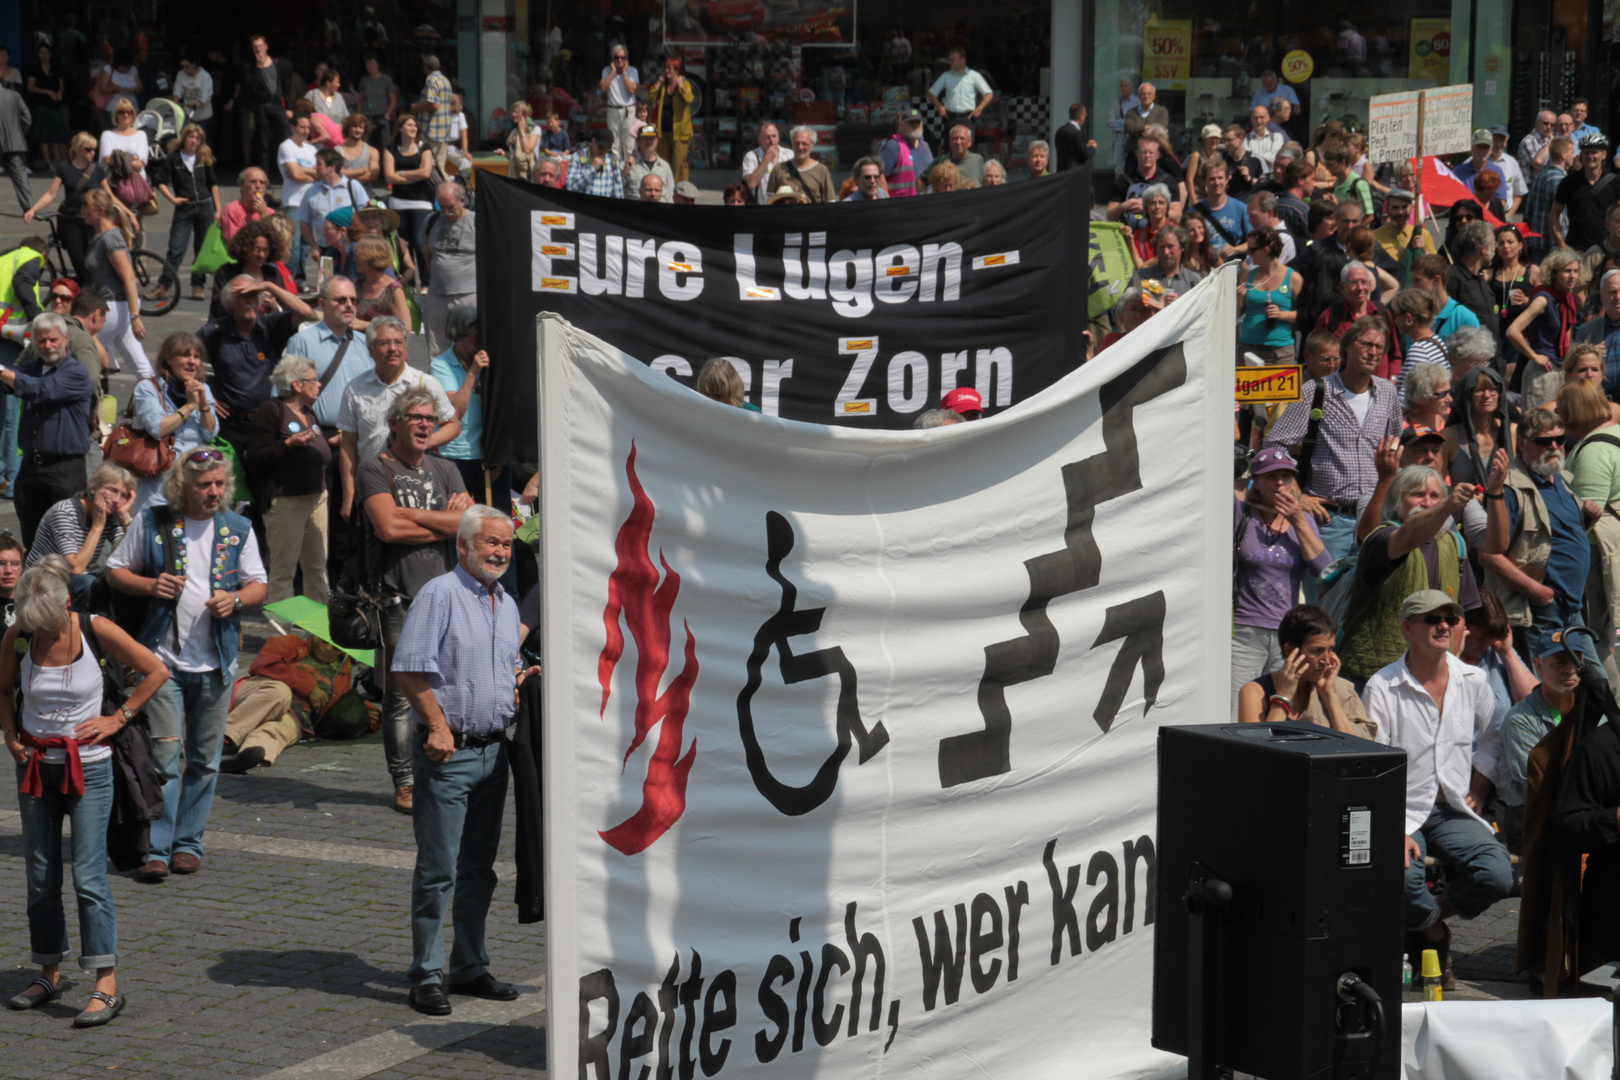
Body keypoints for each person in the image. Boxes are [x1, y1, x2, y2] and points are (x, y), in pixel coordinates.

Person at [0, 563, 168, 1026]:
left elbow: (156, 670)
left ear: (66, 602)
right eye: (33, 622)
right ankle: (48, 971)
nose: (40, 630)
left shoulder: (95, 629)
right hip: (36, 769)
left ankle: (105, 984)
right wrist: (11, 731)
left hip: (89, 771)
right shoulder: (19, 635)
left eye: (47, 620)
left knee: (88, 878)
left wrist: (119, 718)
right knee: (40, 876)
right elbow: (2, 689)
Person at [392, 504, 530, 1014]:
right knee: (437, 869)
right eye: (490, 542)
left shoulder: (507, 603)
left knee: (480, 869)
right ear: (464, 546)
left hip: (495, 754)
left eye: (506, 544)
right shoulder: (440, 595)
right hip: (449, 755)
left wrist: (520, 680)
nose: (499, 552)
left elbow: (502, 666)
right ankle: (426, 974)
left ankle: (470, 966)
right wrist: (437, 726)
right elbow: (408, 669)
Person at [107, 450, 267, 883]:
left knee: (205, 759)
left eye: (218, 483)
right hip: (161, 661)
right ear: (183, 487)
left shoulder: (238, 529)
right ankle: (156, 847)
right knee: (164, 755)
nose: (213, 492)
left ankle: (188, 844)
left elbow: (259, 584)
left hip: (215, 662)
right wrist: (149, 584)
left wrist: (236, 599)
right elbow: (115, 570)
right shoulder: (154, 522)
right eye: (204, 485)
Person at [1363, 589, 1513, 989]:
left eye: (1450, 617)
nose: (1444, 625)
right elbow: (1376, 767)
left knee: (1497, 875)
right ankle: (1433, 937)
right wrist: (1393, 830)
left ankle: (1420, 924)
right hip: (1402, 811)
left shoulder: (1473, 678)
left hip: (1453, 809)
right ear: (1407, 628)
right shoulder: (1382, 686)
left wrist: (1480, 784)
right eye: (1432, 619)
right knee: (1402, 877)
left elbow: (1495, 736)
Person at [356, 387, 473, 814]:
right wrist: (446, 522)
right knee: (402, 694)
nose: (425, 424)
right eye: (415, 417)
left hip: (446, 596)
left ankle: (438, 770)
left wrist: (414, 517)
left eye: (430, 418)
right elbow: (388, 530)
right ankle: (404, 781)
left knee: (445, 687)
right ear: (395, 424)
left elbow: (469, 527)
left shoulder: (446, 469)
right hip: (396, 596)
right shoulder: (374, 469)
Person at [1265, 316, 1405, 574]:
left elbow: (1397, 449)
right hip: (1330, 521)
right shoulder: (1317, 391)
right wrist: (1298, 496)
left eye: (1380, 348)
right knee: (1324, 602)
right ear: (1347, 346)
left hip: (1376, 519)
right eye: (1366, 344)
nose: (1373, 352)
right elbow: (1273, 447)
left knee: (1367, 602)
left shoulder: (1388, 393)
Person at [1337, 466, 1482, 685]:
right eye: (1417, 494)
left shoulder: (1454, 545)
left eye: (1435, 496)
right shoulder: (1381, 537)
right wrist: (1447, 504)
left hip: (1433, 677)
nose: (1427, 502)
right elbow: (1407, 537)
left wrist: (1449, 666)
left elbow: (1460, 616)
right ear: (1396, 500)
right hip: (1374, 676)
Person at [1481, 409, 1590, 659]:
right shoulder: (1510, 487)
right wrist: (1535, 591)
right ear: (1522, 443)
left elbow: (1558, 537)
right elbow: (1489, 555)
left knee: (1592, 683)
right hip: (1541, 610)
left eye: (1560, 440)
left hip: (1573, 607)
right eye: (1543, 441)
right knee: (1543, 688)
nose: (1553, 446)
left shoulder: (1561, 478)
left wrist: (1587, 518)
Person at [1230, 448, 1328, 710]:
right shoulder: (1241, 514)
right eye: (1271, 476)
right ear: (1257, 483)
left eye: (1286, 476)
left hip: (1286, 635)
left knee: (1278, 707)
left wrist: (1298, 520)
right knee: (1236, 709)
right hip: (1242, 630)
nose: (1280, 483)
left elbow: (1324, 569)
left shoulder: (1303, 520)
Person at [338, 317, 460, 524]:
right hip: (372, 483)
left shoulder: (425, 383)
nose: (392, 348)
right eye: (384, 343)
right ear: (370, 350)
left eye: (398, 342)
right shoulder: (355, 388)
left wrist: (423, 443)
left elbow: (453, 425)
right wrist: (349, 495)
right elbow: (348, 445)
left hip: (417, 482)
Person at [199, 274, 310, 470]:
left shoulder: (270, 325)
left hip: (264, 423)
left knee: (262, 484)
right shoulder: (215, 331)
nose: (250, 301)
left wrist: (267, 285)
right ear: (230, 303)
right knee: (229, 484)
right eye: (244, 295)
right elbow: (183, 361)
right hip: (228, 425)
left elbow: (305, 312)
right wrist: (205, 396)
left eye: (254, 295)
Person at [0, 314, 93, 548]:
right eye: (42, 341)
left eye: (53, 340)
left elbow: (41, 389)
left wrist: (2, 371)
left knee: (68, 544)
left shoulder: (77, 373)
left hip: (65, 471)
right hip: (31, 469)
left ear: (65, 338)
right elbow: (10, 382)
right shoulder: (32, 368)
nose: (48, 346)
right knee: (33, 544)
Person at [248, 356, 330, 606]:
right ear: (297, 384)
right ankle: (280, 640)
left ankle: (317, 639)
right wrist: (288, 444)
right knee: (284, 572)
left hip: (316, 498)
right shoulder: (272, 411)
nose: (320, 385)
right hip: (286, 502)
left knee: (317, 569)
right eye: (314, 381)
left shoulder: (308, 412)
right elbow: (255, 456)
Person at [1236, 603, 1374, 735]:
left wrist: (1330, 696)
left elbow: (1353, 749)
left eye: (1330, 649)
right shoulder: (1255, 692)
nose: (1326, 660)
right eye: (1317, 650)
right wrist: (1282, 698)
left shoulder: (1342, 690)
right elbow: (1258, 753)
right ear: (1290, 650)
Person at [127, 333, 218, 514]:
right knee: (156, 534)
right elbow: (158, 428)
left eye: (196, 357)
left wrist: (204, 405)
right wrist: (190, 406)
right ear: (168, 358)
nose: (192, 362)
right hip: (159, 482)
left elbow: (210, 433)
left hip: (193, 478)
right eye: (185, 355)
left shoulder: (203, 389)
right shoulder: (148, 388)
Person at [26, 465, 135, 611]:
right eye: (113, 490)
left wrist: (123, 516)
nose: (116, 500)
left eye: (123, 495)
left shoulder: (111, 515)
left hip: (77, 578)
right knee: (89, 583)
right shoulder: (65, 511)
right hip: (45, 578)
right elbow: (75, 567)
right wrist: (97, 527)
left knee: (122, 581)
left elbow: (134, 552)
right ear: (94, 488)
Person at [21, 133, 119, 282]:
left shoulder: (98, 170)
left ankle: (86, 289)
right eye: (88, 149)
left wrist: (128, 213)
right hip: (70, 219)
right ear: (78, 149)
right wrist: (33, 209)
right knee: (77, 258)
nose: (92, 153)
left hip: (91, 220)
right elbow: (51, 193)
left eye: (94, 149)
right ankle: (87, 290)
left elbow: (110, 196)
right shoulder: (64, 168)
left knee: (91, 258)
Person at [80, 188, 149, 380]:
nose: (82, 210)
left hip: (113, 307)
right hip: (117, 308)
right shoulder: (102, 236)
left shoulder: (110, 237)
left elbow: (129, 277)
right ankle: (160, 403)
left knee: (84, 356)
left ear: (100, 211)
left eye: (86, 206)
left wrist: (135, 317)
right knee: (140, 365)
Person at [429, 303, 493, 502]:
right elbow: (454, 413)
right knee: (457, 521)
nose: (483, 337)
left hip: (489, 457)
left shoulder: (492, 361)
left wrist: (498, 454)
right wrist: (472, 373)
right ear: (461, 333)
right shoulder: (441, 365)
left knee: (494, 520)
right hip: (456, 456)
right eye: (477, 332)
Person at [153, 124, 222, 303]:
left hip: (205, 205)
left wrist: (218, 209)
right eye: (191, 137)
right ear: (184, 138)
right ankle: (163, 286)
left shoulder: (203, 157)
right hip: (184, 207)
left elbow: (212, 183)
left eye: (198, 139)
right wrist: (173, 199)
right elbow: (160, 181)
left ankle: (197, 285)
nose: (194, 141)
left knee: (201, 248)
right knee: (176, 248)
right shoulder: (173, 158)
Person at [1507, 249, 1584, 406]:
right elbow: (1512, 331)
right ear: (1554, 273)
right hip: (1542, 372)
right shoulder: (1543, 299)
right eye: (1567, 271)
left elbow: (1566, 333)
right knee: (1541, 425)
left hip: (1559, 368)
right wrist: (1534, 356)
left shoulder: (1566, 298)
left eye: (1575, 271)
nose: (1572, 276)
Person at [420, 182, 476, 360]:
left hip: (468, 295)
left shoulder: (477, 221)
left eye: (450, 207)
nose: (445, 212)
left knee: (469, 345)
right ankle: (439, 386)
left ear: (462, 200)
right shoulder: (431, 221)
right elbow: (428, 255)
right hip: (437, 295)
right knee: (436, 349)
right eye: (441, 206)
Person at [209, 219, 298, 320]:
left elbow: (287, 310)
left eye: (265, 250)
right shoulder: (226, 272)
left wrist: (275, 306)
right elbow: (217, 309)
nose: (261, 255)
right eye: (257, 249)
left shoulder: (273, 274)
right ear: (245, 248)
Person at [296, 149, 365, 278]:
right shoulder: (312, 191)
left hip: (352, 248)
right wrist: (313, 246)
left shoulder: (353, 186)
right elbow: (304, 222)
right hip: (326, 250)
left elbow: (365, 215)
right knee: (327, 286)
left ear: (332, 167)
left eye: (319, 164)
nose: (314, 167)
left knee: (354, 283)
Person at [383, 115, 436, 280]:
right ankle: (409, 282)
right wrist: (415, 174)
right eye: (409, 125)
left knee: (420, 242)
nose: (414, 128)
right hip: (398, 202)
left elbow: (426, 172)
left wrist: (402, 172)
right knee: (404, 245)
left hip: (422, 201)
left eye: (415, 125)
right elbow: (389, 177)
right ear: (400, 128)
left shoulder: (424, 148)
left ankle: (427, 282)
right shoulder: (390, 149)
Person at [232, 35, 292, 174]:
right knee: (262, 142)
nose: (258, 49)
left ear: (266, 46)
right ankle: (265, 173)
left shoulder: (278, 64)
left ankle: (289, 170)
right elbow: (250, 87)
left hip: (277, 104)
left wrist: (289, 107)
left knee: (285, 137)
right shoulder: (249, 66)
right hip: (260, 106)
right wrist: (258, 68)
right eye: (255, 47)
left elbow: (285, 86)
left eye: (260, 46)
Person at [1236, 229, 1299, 362]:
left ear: (1265, 250)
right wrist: (1239, 298)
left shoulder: (1293, 277)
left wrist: (1281, 314)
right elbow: (1237, 314)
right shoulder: (1248, 275)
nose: (1248, 253)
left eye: (1252, 250)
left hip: (1279, 351)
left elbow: (1305, 315)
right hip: (1248, 348)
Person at [1551, 134, 1618, 253]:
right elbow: (1554, 215)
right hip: (1577, 249)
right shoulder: (1568, 182)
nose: (1590, 156)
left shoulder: (1615, 182)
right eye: (1586, 152)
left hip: (1607, 249)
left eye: (1594, 152)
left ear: (1604, 155)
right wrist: (1561, 244)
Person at [275, 114, 318, 287]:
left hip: (310, 202)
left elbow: (318, 173)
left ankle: (299, 280)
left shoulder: (312, 150)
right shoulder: (286, 147)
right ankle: (288, 281)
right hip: (293, 202)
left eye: (308, 128)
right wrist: (312, 174)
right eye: (302, 127)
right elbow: (294, 174)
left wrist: (304, 171)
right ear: (292, 127)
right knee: (293, 246)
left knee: (306, 246)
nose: (306, 131)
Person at [1108, 137, 1185, 230]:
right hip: (1128, 236)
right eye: (1143, 152)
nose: (1147, 156)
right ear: (1136, 153)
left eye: (1151, 152)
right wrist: (1124, 206)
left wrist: (1150, 208)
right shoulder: (1123, 180)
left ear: (1157, 155)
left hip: (1157, 237)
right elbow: (1110, 217)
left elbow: (1177, 217)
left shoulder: (1168, 181)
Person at [1446, 222, 1500, 339]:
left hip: (1492, 353)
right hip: (1467, 353)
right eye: (1493, 244)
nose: (1495, 248)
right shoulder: (1451, 278)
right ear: (1483, 249)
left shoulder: (1480, 280)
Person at [927, 47, 994, 135]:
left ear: (963, 60)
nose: (951, 62)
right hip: (950, 117)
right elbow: (931, 93)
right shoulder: (946, 76)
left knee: (967, 146)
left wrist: (979, 108)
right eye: (950, 60)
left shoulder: (974, 75)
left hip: (968, 117)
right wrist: (939, 107)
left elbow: (989, 94)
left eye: (953, 60)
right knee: (950, 146)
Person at [646, 56, 693, 183]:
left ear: (677, 70)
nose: (666, 71)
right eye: (665, 68)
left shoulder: (684, 83)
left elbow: (689, 99)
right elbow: (649, 97)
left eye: (670, 68)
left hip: (680, 132)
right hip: (663, 130)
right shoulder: (663, 86)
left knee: (678, 163)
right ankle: (664, 188)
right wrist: (658, 83)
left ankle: (679, 191)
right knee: (663, 162)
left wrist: (681, 86)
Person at [353, 236, 413, 327]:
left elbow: (405, 327)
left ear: (371, 258)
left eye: (358, 256)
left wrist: (365, 325)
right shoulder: (356, 285)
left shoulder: (393, 290)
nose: (354, 259)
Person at [1195, 159, 1250, 258]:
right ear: (1204, 181)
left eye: (1220, 178)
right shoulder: (1194, 212)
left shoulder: (1242, 209)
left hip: (1234, 269)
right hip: (1206, 269)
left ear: (1227, 179)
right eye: (1212, 179)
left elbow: (1254, 242)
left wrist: (1236, 250)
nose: (1216, 183)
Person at [26, 44, 68, 167]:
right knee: (44, 135)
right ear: (38, 55)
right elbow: (30, 87)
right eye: (41, 53)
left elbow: (61, 85)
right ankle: (48, 162)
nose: (44, 55)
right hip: (41, 105)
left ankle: (64, 161)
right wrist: (48, 92)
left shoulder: (56, 68)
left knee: (61, 135)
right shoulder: (35, 69)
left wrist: (59, 92)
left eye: (46, 52)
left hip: (55, 105)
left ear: (51, 54)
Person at [769, 126, 834, 204]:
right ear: (792, 144)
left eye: (804, 144)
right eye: (797, 143)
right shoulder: (778, 169)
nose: (800, 147)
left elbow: (830, 202)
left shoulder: (821, 170)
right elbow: (770, 200)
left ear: (812, 146)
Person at [1130, 225, 1200, 297]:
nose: (1166, 252)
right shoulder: (1141, 277)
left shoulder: (1193, 281)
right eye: (1161, 247)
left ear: (1182, 247)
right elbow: (1124, 304)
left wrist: (1179, 303)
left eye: (1170, 246)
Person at [599, 46, 640, 165]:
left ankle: (630, 172)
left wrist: (624, 73)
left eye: (623, 58)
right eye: (617, 58)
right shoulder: (607, 70)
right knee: (614, 144)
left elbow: (631, 90)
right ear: (612, 58)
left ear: (626, 58)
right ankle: (616, 172)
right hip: (613, 109)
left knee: (629, 144)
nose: (620, 61)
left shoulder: (632, 71)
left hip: (628, 110)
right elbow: (603, 87)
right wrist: (613, 72)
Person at [881, 111, 932, 198]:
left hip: (925, 202)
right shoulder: (893, 146)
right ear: (902, 126)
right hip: (902, 204)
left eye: (918, 122)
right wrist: (886, 201)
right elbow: (880, 175)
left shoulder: (924, 146)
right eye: (911, 122)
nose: (915, 125)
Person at [218, 167, 272, 242]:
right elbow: (234, 242)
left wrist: (264, 216)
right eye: (253, 182)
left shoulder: (270, 212)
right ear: (241, 185)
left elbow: (276, 242)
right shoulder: (232, 210)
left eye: (262, 182)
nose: (258, 186)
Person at [625, 124, 675, 204]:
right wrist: (624, 172)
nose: (649, 141)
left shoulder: (665, 166)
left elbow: (671, 196)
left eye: (652, 138)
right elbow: (616, 191)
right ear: (638, 141)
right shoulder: (627, 165)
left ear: (657, 141)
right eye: (646, 138)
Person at [566, 129, 623, 198]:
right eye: (600, 147)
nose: (602, 151)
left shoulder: (612, 162)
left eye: (606, 149)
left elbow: (618, 193)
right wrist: (592, 169)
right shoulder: (578, 157)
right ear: (593, 142)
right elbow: (570, 187)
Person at [742, 122, 788, 205]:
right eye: (767, 137)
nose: (771, 140)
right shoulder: (751, 156)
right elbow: (751, 183)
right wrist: (766, 159)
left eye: (774, 136)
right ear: (760, 140)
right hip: (763, 207)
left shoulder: (789, 154)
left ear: (778, 138)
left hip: (786, 207)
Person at [358, 56, 398, 153]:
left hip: (381, 117)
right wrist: (358, 115)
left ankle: (384, 166)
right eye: (368, 64)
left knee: (384, 145)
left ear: (377, 65)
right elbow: (360, 100)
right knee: (367, 143)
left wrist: (388, 114)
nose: (370, 66)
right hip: (367, 116)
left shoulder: (386, 79)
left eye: (372, 63)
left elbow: (393, 100)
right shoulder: (364, 80)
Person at [1401, 360, 1454, 432]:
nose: (1450, 399)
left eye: (1449, 392)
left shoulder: (1452, 418)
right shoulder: (1402, 429)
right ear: (1421, 396)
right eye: (1442, 394)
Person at [1120, 82, 1168, 156]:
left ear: (1154, 96)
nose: (1146, 96)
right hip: (1134, 152)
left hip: (1154, 154)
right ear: (1139, 96)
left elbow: (1160, 128)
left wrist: (1138, 131)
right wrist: (1145, 127)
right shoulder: (1131, 112)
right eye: (1143, 94)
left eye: (1149, 94)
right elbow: (1129, 127)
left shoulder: (1161, 111)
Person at [931, 124, 985, 188]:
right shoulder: (940, 161)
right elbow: (921, 180)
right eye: (955, 138)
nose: (958, 142)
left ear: (970, 142)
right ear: (949, 141)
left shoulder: (977, 160)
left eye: (962, 138)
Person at [1244, 105, 1284, 173]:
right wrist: (1265, 158)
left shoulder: (1277, 137)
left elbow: (1274, 159)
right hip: (1251, 177)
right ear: (1251, 119)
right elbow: (1246, 160)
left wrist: (1255, 159)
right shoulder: (1245, 139)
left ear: (1268, 118)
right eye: (1256, 117)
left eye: (1262, 117)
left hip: (1270, 178)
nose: (1259, 120)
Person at [1054, 104, 1093, 174]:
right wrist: (1092, 147)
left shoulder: (1060, 131)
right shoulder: (1076, 132)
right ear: (1081, 117)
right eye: (1085, 115)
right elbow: (1085, 154)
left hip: (1061, 173)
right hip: (1073, 174)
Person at [1521, 111, 1556, 177]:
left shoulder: (1547, 141)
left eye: (1552, 125)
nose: (1549, 127)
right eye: (1545, 123)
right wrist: (1551, 141)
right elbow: (1538, 163)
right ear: (1536, 123)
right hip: (1531, 185)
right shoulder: (1529, 141)